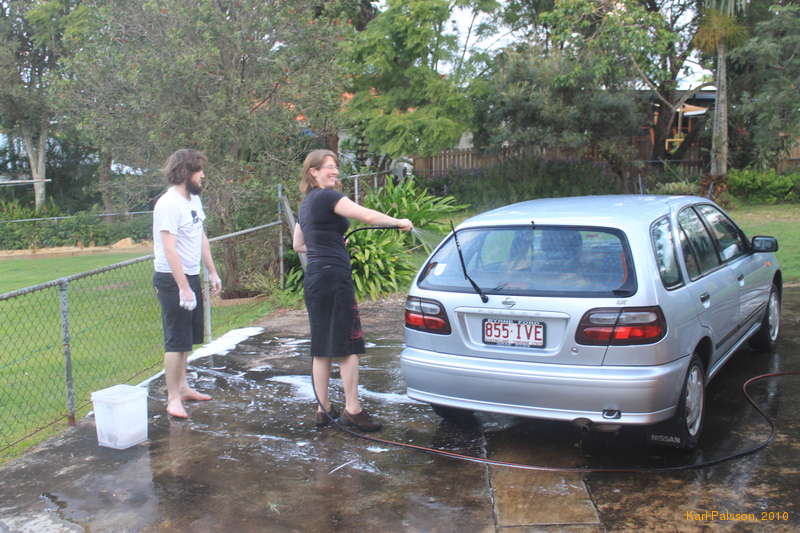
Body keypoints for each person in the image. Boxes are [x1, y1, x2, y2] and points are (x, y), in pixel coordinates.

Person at [293, 149, 413, 432]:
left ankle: (323, 410)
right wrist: (399, 222)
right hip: (334, 278)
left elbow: (298, 244)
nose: (334, 172)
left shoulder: (307, 203)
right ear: (313, 171)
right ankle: (353, 410)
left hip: (315, 279)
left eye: (336, 167)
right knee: (348, 345)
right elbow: (367, 216)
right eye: (328, 167)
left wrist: (330, 244)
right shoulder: (327, 197)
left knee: (322, 347)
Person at [152, 149, 222, 419]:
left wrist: (212, 272)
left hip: (190, 276)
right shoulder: (168, 204)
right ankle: (172, 398)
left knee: (187, 340)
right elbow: (169, 250)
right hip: (171, 279)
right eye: (198, 170)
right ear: (184, 172)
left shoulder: (192, 200)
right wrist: (182, 287)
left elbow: (200, 236)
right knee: (175, 340)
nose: (203, 175)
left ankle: (183, 387)